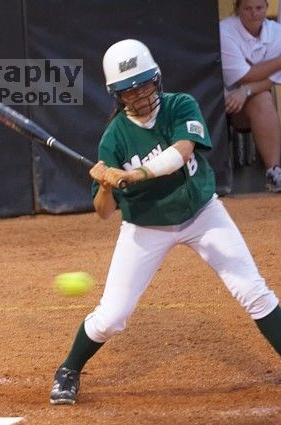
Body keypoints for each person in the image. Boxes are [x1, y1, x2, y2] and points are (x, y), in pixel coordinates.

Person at [49, 39, 281, 405]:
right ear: (117, 95)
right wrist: (106, 184)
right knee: (112, 317)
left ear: (156, 79)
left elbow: (181, 153)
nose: (140, 95)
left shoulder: (179, 106)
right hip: (146, 227)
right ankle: (68, 370)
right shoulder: (114, 138)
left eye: (144, 84)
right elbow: (103, 211)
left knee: (253, 291)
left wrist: (136, 175)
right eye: (130, 90)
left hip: (202, 214)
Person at [220, 0, 281, 192]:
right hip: (225, 104)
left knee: (262, 97)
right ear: (237, 9)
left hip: (252, 99)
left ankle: (274, 173)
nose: (254, 13)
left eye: (259, 8)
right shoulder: (224, 30)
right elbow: (243, 75)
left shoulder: (275, 32)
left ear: (266, 7)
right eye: (247, 8)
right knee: (262, 95)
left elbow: (273, 79)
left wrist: (246, 89)